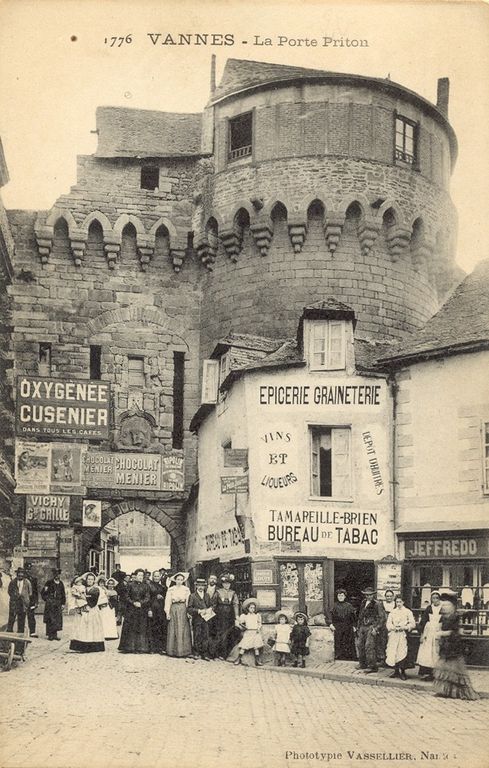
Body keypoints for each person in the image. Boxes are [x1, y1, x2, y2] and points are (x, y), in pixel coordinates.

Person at [433, 589, 479, 700]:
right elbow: (438, 628)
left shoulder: (455, 617)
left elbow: (455, 632)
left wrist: (442, 633)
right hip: (445, 646)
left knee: (455, 671)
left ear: (452, 607)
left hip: (453, 646)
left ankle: (461, 693)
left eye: (447, 605)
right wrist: (438, 637)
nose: (445, 607)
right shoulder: (443, 617)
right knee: (444, 670)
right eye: (443, 605)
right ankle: (445, 691)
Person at [69, 572, 105, 653]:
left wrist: (84, 599)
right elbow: (76, 596)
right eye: (88, 579)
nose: (90, 581)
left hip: (92, 609)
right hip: (83, 609)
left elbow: (93, 600)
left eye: (91, 579)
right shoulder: (83, 588)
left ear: (94, 581)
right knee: (82, 627)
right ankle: (82, 646)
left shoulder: (96, 589)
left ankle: (93, 646)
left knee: (92, 627)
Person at [118, 568, 151, 653]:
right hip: (131, 609)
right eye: (139, 575)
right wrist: (133, 603)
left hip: (141, 610)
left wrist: (141, 603)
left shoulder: (146, 586)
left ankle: (141, 647)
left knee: (141, 628)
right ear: (135, 576)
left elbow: (147, 597)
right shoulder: (130, 585)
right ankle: (129, 647)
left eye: (142, 575)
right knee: (130, 628)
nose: (140, 577)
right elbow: (126, 596)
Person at [356, 586, 386, 673]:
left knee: (369, 646)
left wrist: (376, 628)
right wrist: (358, 626)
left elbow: (382, 618)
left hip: (371, 627)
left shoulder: (377, 604)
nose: (368, 596)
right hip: (363, 626)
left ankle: (372, 666)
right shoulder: (363, 602)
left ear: (373, 595)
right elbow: (360, 615)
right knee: (360, 645)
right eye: (366, 595)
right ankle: (362, 664)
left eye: (370, 595)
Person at [385, 595, 416, 680]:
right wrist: (392, 627)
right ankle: (396, 671)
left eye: (400, 602)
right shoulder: (393, 612)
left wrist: (405, 627)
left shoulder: (407, 612)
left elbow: (412, 623)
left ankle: (402, 672)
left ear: (403, 602)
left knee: (402, 652)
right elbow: (388, 623)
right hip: (394, 634)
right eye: (397, 602)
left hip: (403, 634)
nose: (398, 604)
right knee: (393, 651)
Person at [211, 573, 240, 660]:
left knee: (228, 634)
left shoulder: (233, 593)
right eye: (225, 583)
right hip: (219, 616)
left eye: (228, 584)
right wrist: (210, 614)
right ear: (222, 584)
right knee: (219, 634)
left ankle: (226, 654)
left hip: (229, 616)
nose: (227, 585)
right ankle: (217, 653)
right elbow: (214, 604)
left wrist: (236, 616)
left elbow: (235, 604)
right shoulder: (218, 592)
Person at [164, 572, 192, 658]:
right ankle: (172, 650)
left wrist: (188, 612)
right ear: (175, 580)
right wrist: (167, 612)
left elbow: (188, 601)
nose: (179, 581)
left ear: (183, 581)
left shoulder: (186, 589)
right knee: (173, 628)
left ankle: (183, 651)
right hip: (174, 609)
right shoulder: (171, 589)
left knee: (183, 628)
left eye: (181, 580)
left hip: (183, 609)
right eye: (178, 579)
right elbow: (168, 601)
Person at [416, 590, 442, 681]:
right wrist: (422, 633)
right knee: (427, 652)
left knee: (436, 652)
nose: (435, 600)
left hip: (438, 631)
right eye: (433, 598)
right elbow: (423, 621)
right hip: (429, 632)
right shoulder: (429, 608)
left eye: (437, 598)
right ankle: (428, 673)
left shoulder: (443, 608)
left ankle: (438, 673)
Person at [188, 577, 212, 660]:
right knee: (197, 635)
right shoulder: (192, 596)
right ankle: (196, 652)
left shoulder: (207, 595)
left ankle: (204, 653)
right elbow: (189, 608)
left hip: (206, 619)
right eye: (199, 585)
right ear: (196, 586)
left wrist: (208, 610)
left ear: (205, 586)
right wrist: (198, 611)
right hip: (197, 619)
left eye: (202, 586)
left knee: (205, 635)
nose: (201, 587)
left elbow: (210, 606)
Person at [235, 598, 264, 666]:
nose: (252, 609)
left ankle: (257, 660)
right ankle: (238, 659)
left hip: (255, 632)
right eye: (251, 608)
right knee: (244, 646)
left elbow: (259, 623)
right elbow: (239, 622)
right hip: (248, 632)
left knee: (256, 647)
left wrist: (258, 628)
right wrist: (240, 624)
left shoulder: (257, 616)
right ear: (248, 608)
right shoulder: (245, 616)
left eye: (253, 608)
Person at [331, 589, 357, 660]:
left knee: (348, 641)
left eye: (342, 595)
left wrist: (354, 626)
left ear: (345, 596)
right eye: (339, 595)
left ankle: (349, 657)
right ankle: (339, 656)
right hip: (338, 626)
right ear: (337, 596)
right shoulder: (334, 606)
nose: (340, 597)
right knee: (339, 641)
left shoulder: (349, 606)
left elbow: (353, 617)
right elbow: (330, 616)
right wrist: (330, 624)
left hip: (348, 626)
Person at [41, 569, 66, 641]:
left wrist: (63, 604)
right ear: (53, 575)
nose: (57, 576)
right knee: (50, 619)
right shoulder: (49, 583)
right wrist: (47, 599)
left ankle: (55, 635)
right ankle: (50, 635)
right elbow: (43, 592)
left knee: (57, 619)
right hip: (50, 604)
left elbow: (63, 594)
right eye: (55, 574)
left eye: (58, 574)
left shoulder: (61, 583)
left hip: (58, 604)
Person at [147, 570, 168, 654]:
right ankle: (152, 648)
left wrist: (162, 597)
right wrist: (149, 609)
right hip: (153, 609)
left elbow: (167, 598)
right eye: (155, 576)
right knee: (152, 628)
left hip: (161, 610)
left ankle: (160, 648)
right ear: (152, 577)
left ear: (160, 577)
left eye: (158, 576)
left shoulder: (163, 587)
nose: (156, 578)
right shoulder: (149, 586)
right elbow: (147, 599)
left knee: (161, 628)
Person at [7, 567, 32, 633]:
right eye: (19, 573)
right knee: (12, 617)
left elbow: (30, 593)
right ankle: (9, 632)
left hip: (23, 603)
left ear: (23, 574)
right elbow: (9, 591)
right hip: (14, 602)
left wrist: (24, 598)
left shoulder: (27, 582)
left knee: (21, 618)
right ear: (17, 574)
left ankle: (20, 633)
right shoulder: (12, 582)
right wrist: (14, 596)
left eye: (22, 573)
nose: (20, 575)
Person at [377, 589, 395, 665]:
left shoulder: (395, 604)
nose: (389, 598)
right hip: (383, 625)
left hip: (393, 625)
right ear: (385, 597)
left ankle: (390, 659)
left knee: (391, 642)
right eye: (387, 596)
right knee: (382, 642)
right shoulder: (381, 604)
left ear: (393, 597)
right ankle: (382, 659)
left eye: (390, 596)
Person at [97, 576, 118, 641]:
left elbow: (115, 602)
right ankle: (105, 634)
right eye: (109, 584)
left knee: (111, 620)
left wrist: (109, 599)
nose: (110, 585)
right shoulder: (104, 590)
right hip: (104, 607)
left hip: (111, 607)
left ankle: (111, 634)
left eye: (112, 584)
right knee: (105, 620)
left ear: (113, 585)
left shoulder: (114, 592)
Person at [24, 563, 39, 637]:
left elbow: (35, 591)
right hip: (22, 601)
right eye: (26, 569)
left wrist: (36, 601)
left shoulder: (33, 579)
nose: (28, 571)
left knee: (31, 616)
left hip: (31, 601)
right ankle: (21, 632)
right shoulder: (21, 579)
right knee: (21, 616)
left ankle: (32, 632)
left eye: (29, 569)